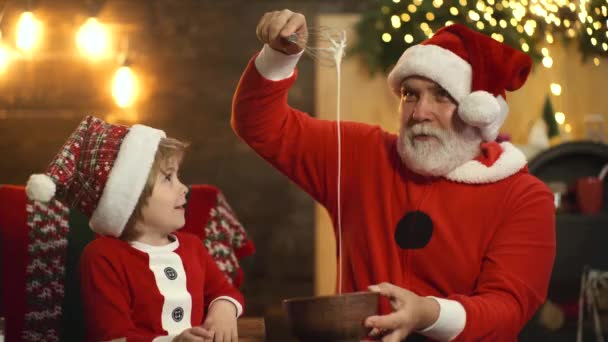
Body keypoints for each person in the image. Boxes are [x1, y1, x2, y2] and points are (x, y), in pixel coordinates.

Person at [232, 9, 555, 341]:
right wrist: (279, 57)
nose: (418, 112)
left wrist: (426, 313)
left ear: (477, 111)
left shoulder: (522, 195)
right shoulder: (362, 155)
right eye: (410, 93)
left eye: (442, 95)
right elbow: (259, 125)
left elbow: (507, 309)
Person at [26, 116, 243, 342]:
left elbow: (224, 291)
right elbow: (112, 335)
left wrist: (224, 310)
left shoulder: (193, 247)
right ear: (131, 199)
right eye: (168, 178)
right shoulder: (103, 256)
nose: (183, 188)